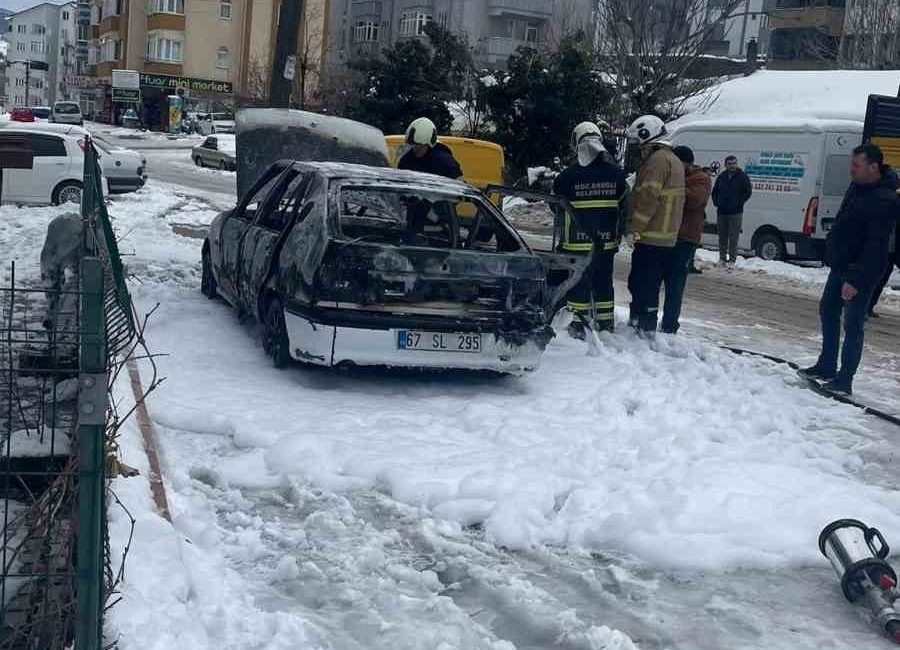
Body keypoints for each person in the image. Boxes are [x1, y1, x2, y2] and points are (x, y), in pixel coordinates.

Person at [801, 144, 898, 395]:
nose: (851, 170)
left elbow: (876, 246)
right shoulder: (858, 186)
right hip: (842, 264)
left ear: (873, 167)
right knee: (828, 310)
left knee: (853, 324)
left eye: (856, 165)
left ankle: (845, 381)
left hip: (860, 271)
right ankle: (826, 366)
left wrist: (855, 279)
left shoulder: (885, 199)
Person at [553, 122, 628, 338]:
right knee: (603, 283)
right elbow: (624, 203)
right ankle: (605, 324)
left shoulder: (567, 176)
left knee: (579, 284)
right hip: (606, 243)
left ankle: (579, 325)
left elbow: (555, 205)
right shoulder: (616, 174)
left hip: (576, 243)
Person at [625, 115, 686, 335]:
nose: (635, 148)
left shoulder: (657, 161)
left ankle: (643, 324)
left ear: (646, 134)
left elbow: (648, 198)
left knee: (642, 283)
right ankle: (645, 322)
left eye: (635, 142)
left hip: (651, 236)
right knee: (649, 284)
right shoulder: (672, 159)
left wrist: (635, 229)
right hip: (665, 236)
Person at [661, 146, 711, 334]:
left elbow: (693, 200)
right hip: (668, 235)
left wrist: (673, 185)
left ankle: (670, 325)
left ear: (686, 162)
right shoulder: (682, 177)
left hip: (685, 238)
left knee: (675, 285)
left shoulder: (701, 179)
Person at [711, 155, 752, 268]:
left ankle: (732, 260)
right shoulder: (722, 177)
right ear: (725, 165)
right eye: (729, 163)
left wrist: (739, 202)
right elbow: (714, 192)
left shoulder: (742, 177)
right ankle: (722, 258)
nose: (732, 165)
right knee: (722, 237)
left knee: (733, 237)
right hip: (722, 212)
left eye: (734, 163)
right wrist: (717, 202)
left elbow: (748, 192)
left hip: (736, 212)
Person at [397, 117, 462, 180]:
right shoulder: (406, 160)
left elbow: (460, 186)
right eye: (412, 143)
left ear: (425, 144)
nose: (412, 147)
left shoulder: (445, 163)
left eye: (416, 144)